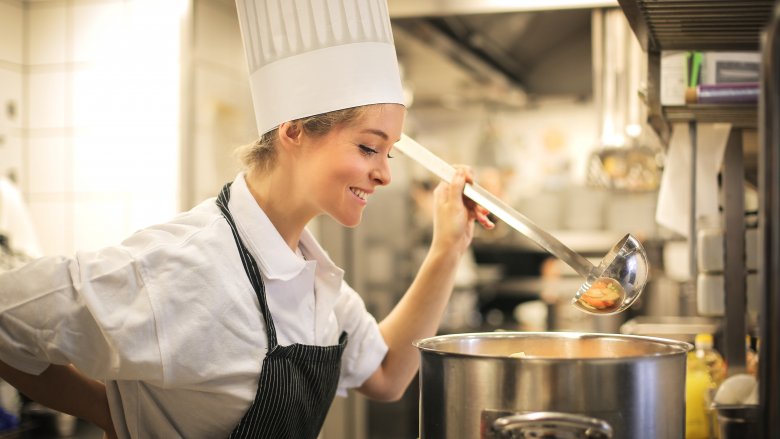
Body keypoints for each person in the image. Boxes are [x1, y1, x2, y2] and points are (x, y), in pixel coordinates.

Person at [0, 1, 493, 438]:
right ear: (294, 130)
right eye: (369, 147)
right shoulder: (185, 267)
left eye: (389, 153)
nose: (384, 174)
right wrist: (109, 412)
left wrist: (447, 246)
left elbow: (386, 374)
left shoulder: (314, 279)